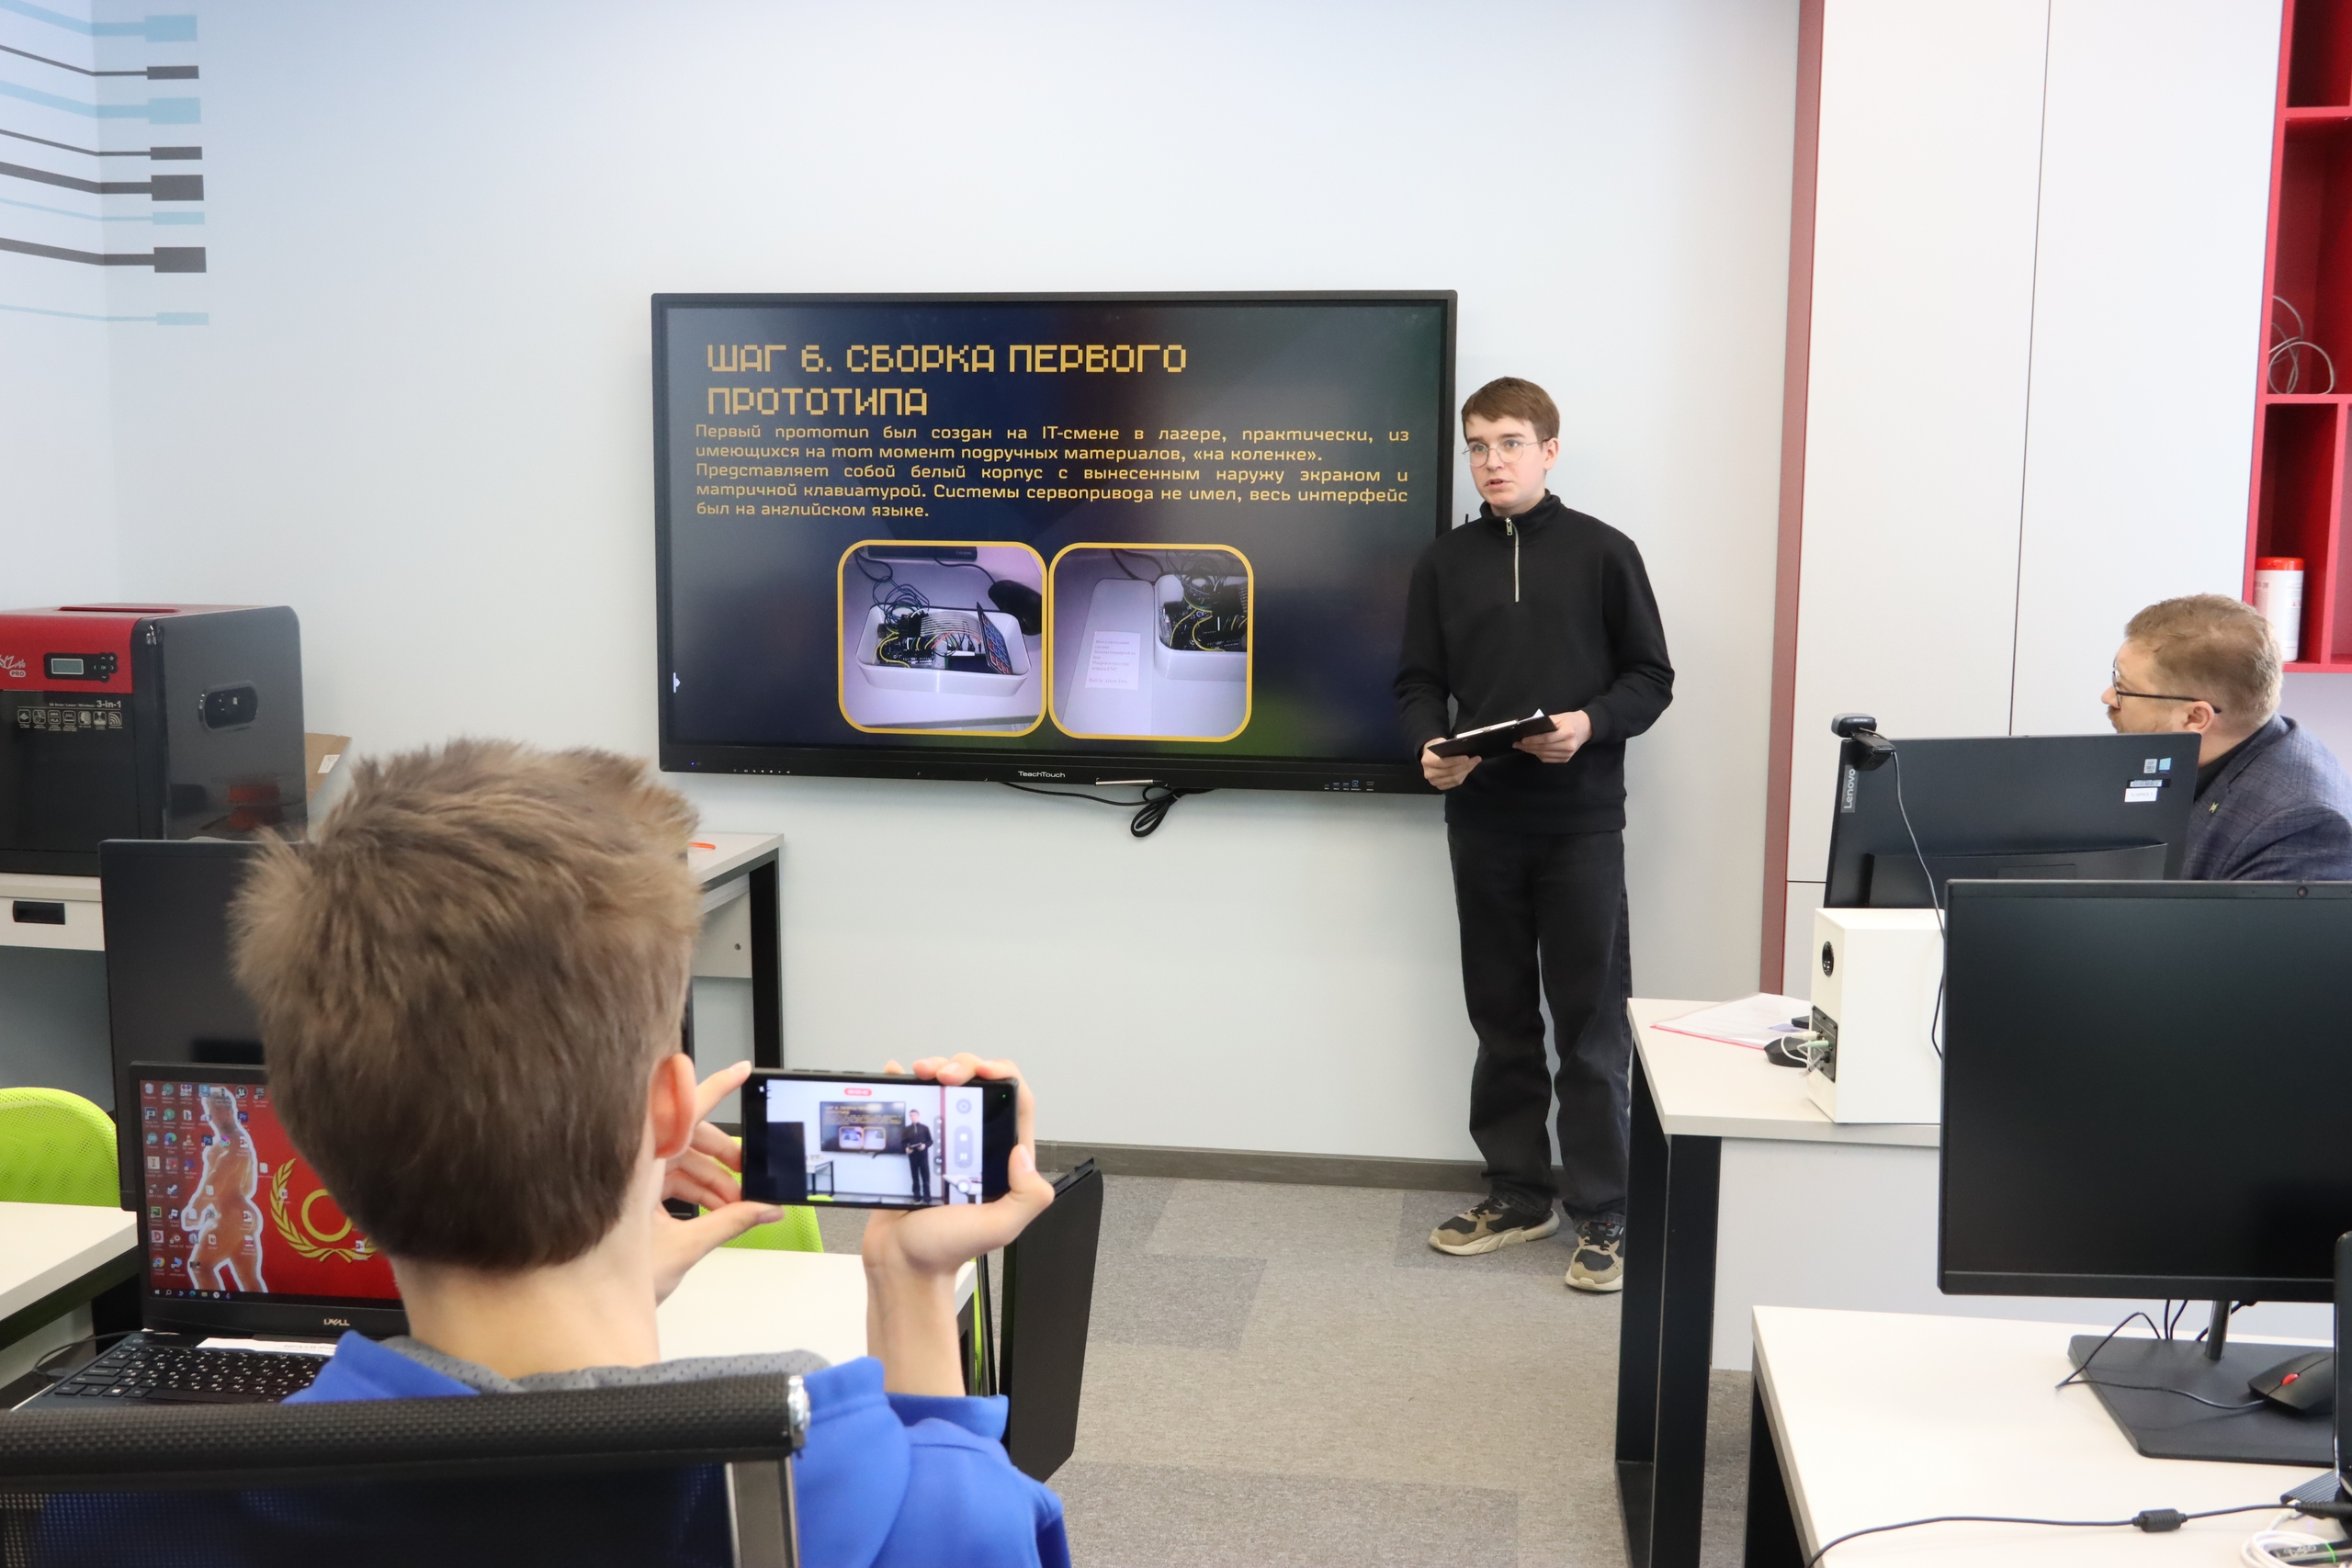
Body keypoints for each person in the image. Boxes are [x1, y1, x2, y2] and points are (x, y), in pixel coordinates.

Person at [223, 739, 1069, 1567]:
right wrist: (910, 1281)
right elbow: (955, 1522)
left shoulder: (202, 1498)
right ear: (671, 1110)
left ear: (311, 1144)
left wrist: (616, 1276)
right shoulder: (887, 1496)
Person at [1395, 377, 1674, 1294]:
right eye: (1477, 446)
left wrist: (1589, 724)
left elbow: (1650, 678)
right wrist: (1427, 748)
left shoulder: (1604, 552)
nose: (1491, 461)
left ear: (1549, 450)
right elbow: (1416, 682)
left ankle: (1607, 1211)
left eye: (1510, 443)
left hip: (1580, 824)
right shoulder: (1443, 562)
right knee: (1500, 1017)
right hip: (1481, 822)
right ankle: (1519, 1194)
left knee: (1590, 1025)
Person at [2102, 594, 2352, 881]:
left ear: (2195, 718)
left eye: (2122, 688)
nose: (2108, 697)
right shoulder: (2215, 748)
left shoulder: (2300, 828)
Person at [903, 1110, 934, 1202]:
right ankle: (916, 1196)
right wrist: (906, 1148)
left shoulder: (925, 1128)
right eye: (911, 1115)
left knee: (925, 1177)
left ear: (918, 1116)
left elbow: (930, 1141)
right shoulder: (907, 1129)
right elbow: (903, 1142)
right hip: (913, 1156)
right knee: (915, 1177)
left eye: (915, 1115)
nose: (913, 1117)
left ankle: (927, 1196)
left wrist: (925, 1146)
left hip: (923, 1156)